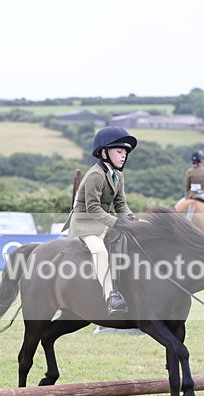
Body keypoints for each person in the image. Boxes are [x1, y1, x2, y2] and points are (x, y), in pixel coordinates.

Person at [62, 126, 142, 315]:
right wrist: (118, 223)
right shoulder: (95, 175)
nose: (124, 156)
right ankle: (111, 296)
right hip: (86, 224)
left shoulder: (118, 175)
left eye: (125, 153)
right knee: (99, 250)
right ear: (104, 152)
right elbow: (93, 208)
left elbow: (121, 204)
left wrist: (133, 221)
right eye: (119, 151)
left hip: (103, 222)